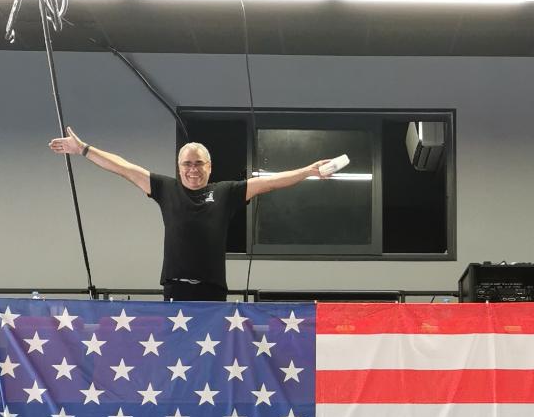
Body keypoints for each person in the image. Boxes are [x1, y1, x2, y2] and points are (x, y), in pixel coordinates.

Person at [47, 127, 337, 302]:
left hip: (213, 291)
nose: (193, 169)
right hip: (176, 289)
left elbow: (270, 183)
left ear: (209, 167)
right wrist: (83, 149)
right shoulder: (165, 189)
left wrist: (308, 171)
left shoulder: (226, 192)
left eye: (199, 163)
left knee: (212, 358)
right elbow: (124, 167)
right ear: (179, 167)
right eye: (187, 164)